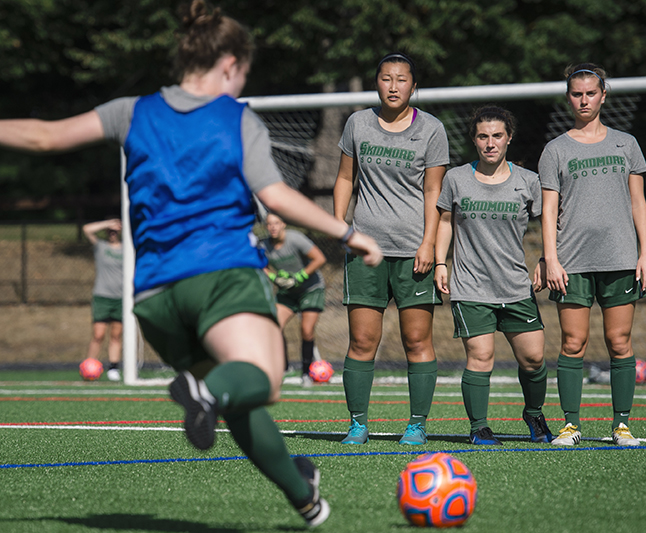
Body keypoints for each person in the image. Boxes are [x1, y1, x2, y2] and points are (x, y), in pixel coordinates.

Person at [0, 0, 382, 527]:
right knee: (262, 380)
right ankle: (207, 392)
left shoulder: (131, 111)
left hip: (155, 296)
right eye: (243, 73)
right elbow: (272, 193)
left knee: (235, 401)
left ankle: (305, 498)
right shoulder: (235, 117)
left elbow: (45, 135)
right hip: (221, 275)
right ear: (229, 64)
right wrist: (348, 232)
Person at [332, 52, 450, 446]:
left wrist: (429, 244)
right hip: (366, 250)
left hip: (414, 251)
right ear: (377, 83)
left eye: (402, 79)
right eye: (386, 78)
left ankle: (416, 424)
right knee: (363, 341)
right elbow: (345, 178)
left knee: (416, 341)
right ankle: (357, 424)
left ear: (413, 87)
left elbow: (435, 191)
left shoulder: (432, 129)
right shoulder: (358, 123)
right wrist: (340, 228)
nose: (394, 86)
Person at [538, 63, 646, 447]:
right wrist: (550, 258)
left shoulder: (627, 143)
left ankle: (621, 426)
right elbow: (549, 208)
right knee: (573, 343)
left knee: (619, 341)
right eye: (576, 93)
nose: (583, 100)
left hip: (621, 258)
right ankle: (570, 426)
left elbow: (638, 202)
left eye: (591, 93)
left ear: (604, 95)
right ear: (568, 97)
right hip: (571, 262)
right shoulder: (555, 149)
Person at [434, 106, 553, 446]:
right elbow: (444, 221)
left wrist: (546, 259)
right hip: (471, 286)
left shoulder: (528, 181)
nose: (490, 143)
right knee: (481, 357)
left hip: (515, 285)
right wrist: (441, 263)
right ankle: (479, 427)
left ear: (509, 138)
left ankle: (533, 413)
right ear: (474, 140)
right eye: (483, 136)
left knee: (533, 358)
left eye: (497, 136)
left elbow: (548, 224)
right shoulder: (456, 178)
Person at [261, 213, 327, 386]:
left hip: (311, 289)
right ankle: (282, 368)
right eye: (269, 224)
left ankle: (306, 375)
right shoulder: (264, 245)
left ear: (283, 224)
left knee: (306, 330)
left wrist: (299, 277)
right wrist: (275, 278)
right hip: (287, 293)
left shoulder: (295, 239)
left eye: (276, 223)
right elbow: (260, 266)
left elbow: (319, 258)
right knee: (274, 326)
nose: (273, 227)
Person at [82, 218, 124, 381]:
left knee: (116, 335)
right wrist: (108, 223)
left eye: (115, 231)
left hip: (120, 298)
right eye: (110, 232)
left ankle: (113, 368)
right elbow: (87, 229)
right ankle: (89, 366)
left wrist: (122, 226)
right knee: (98, 335)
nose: (112, 234)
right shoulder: (101, 247)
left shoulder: (126, 250)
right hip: (102, 296)